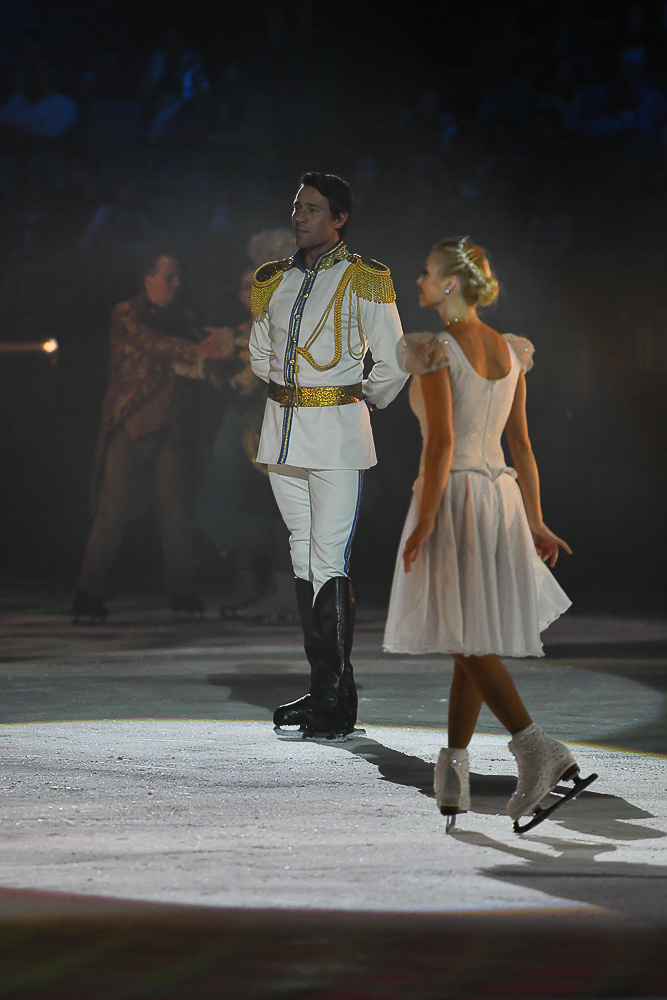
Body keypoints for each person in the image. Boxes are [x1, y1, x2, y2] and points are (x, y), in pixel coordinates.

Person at [384, 236, 593, 828]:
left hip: (456, 494)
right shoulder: (508, 348)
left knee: (465, 636)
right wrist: (533, 517)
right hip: (499, 497)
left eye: (425, 274)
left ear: (450, 283)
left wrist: (424, 520)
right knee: (467, 632)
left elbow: (441, 443)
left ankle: (536, 747)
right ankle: (453, 771)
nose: (417, 282)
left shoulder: (433, 349)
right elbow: (521, 445)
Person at [249, 171, 407, 738]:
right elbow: (260, 354)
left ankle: (334, 703)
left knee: (328, 558)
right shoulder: (273, 281)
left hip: (338, 438)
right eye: (297, 206)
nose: (299, 216)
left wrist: (352, 402)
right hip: (282, 435)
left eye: (312, 209)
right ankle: (329, 694)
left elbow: (393, 363)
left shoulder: (366, 279)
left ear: (338, 219)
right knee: (303, 556)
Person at [72, 252, 233, 621]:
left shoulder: (183, 316)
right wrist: (200, 349)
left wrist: (223, 349)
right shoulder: (128, 313)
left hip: (171, 423)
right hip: (132, 421)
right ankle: (88, 591)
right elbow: (155, 344)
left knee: (176, 509)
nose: (176, 284)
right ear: (148, 278)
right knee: (113, 508)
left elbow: (203, 351)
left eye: (177, 277)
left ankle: (183, 591)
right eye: (169, 277)